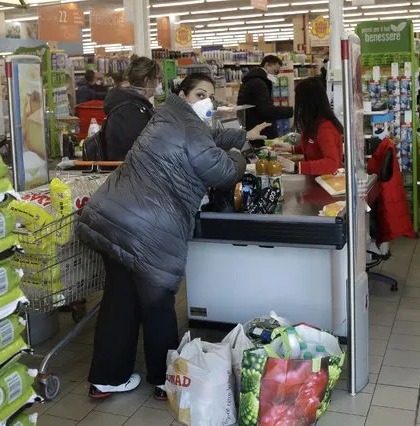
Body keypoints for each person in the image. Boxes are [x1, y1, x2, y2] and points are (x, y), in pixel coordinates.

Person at [76, 74, 270, 401]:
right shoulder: (186, 126)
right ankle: (165, 379)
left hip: (113, 215)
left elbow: (207, 137)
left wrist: (241, 134)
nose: (205, 101)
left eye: (210, 95)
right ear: (183, 93)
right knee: (158, 304)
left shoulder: (167, 115)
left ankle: (107, 378)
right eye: (199, 93)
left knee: (119, 301)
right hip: (150, 228)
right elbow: (220, 169)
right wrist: (239, 153)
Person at [272, 77, 343, 175]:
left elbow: (332, 163)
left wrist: (296, 167)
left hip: (328, 183)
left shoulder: (325, 128)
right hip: (317, 179)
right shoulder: (314, 123)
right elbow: (314, 147)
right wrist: (291, 148)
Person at [102, 57, 160, 161]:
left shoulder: (130, 104)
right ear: (147, 81)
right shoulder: (131, 111)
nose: (158, 84)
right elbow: (135, 151)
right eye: (157, 79)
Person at [237, 55, 293, 140]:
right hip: (259, 130)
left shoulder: (255, 79)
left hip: (253, 127)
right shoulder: (258, 83)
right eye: (275, 71)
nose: (275, 75)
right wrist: (291, 111)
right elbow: (266, 110)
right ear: (267, 65)